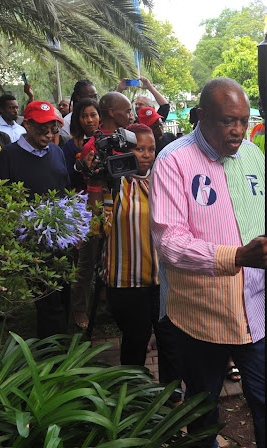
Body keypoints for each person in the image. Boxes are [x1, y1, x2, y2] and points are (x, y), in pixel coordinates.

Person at [150, 77, 267, 447]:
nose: (239, 130)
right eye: (229, 120)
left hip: (258, 311)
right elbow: (170, 241)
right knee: (202, 409)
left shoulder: (253, 155)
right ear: (201, 116)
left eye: (244, 120)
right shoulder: (173, 161)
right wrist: (237, 257)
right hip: (201, 315)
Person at [88, 124, 162, 365]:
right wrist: (96, 183)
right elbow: (98, 225)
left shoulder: (163, 180)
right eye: (139, 148)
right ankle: (133, 395)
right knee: (136, 339)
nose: (147, 154)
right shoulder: (117, 183)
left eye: (151, 149)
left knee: (168, 339)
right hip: (126, 281)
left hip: (163, 280)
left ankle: (170, 393)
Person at [0, 101, 70, 338]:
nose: (49, 135)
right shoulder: (9, 155)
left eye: (53, 129)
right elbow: (3, 198)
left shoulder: (57, 152)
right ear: (27, 124)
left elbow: (64, 189)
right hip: (32, 239)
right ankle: (51, 352)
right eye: (42, 129)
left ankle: (65, 345)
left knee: (64, 290)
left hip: (61, 236)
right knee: (46, 298)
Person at [64, 98, 100, 328]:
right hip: (85, 208)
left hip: (109, 203)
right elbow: (68, 175)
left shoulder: (111, 139)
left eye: (93, 114)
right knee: (86, 261)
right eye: (84, 116)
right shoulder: (71, 145)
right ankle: (79, 309)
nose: (89, 120)